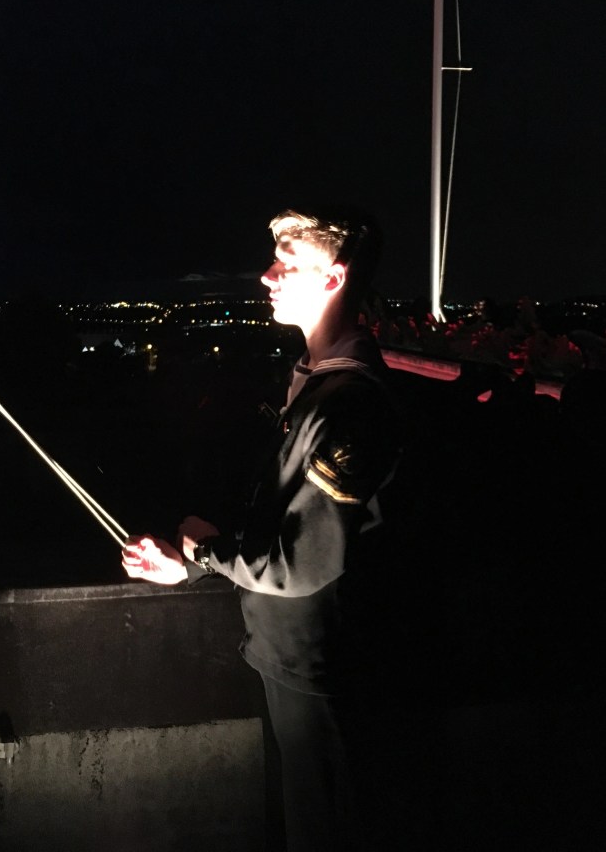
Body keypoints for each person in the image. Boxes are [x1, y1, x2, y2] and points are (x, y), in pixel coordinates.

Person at [123, 208, 404, 851]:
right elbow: (278, 517)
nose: (268, 273)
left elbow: (302, 561)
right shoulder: (316, 382)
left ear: (333, 280)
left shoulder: (352, 403)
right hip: (291, 656)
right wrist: (190, 565)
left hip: (323, 672)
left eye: (289, 263)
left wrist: (202, 548)